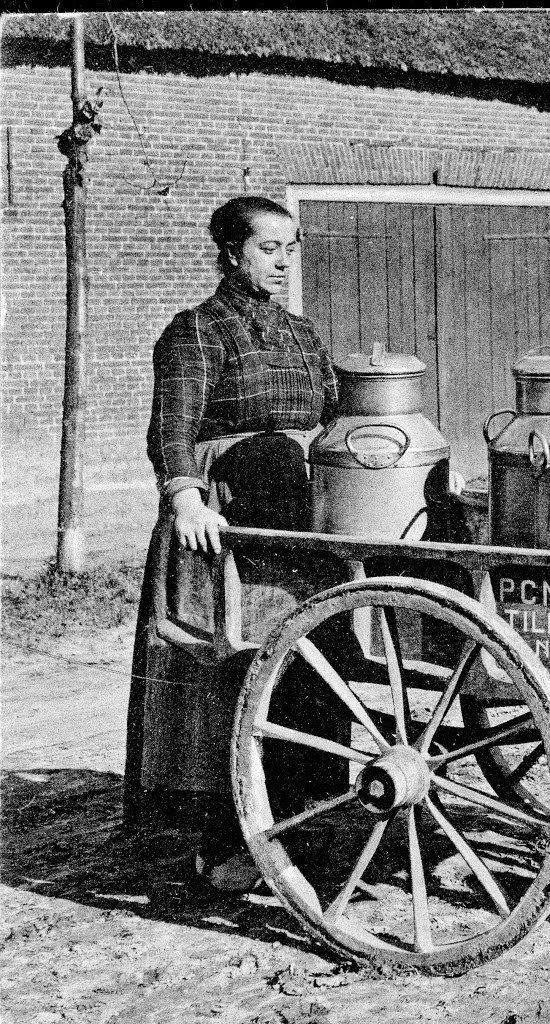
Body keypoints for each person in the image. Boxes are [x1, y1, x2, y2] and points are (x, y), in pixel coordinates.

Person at [131, 196, 338, 891]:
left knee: (310, 670)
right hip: (225, 521)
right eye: (267, 248)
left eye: (290, 248)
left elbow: (334, 419)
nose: (282, 262)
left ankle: (308, 827)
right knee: (232, 674)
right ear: (230, 253)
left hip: (298, 519)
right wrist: (184, 494)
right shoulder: (196, 332)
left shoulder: (305, 335)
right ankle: (226, 841)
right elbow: (172, 428)